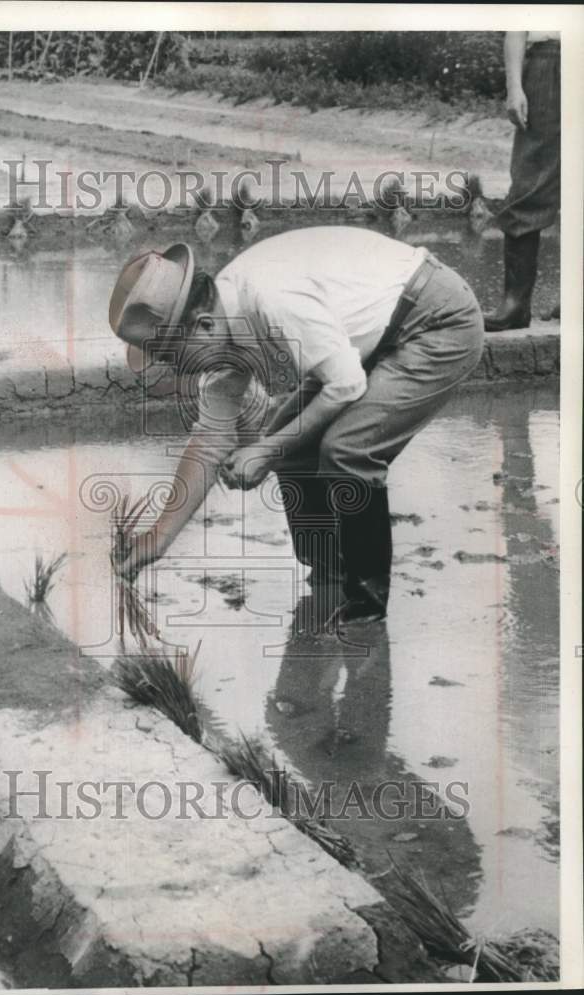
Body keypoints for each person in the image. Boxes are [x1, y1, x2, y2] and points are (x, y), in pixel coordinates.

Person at [109, 228, 484, 625]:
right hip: (371, 338)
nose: (177, 369)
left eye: (174, 356)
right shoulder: (225, 324)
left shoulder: (271, 299)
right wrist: (159, 537)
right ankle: (327, 575)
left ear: (202, 325)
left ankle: (365, 607)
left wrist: (267, 450)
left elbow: (345, 386)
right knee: (288, 436)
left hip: (437, 321)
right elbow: (209, 442)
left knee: (347, 450)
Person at [484, 31, 560, 330]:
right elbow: (517, 27)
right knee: (531, 178)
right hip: (550, 60)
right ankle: (516, 306)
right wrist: (514, 86)